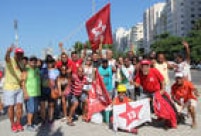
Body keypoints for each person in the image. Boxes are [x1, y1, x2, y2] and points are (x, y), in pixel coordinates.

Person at [3, 46, 24, 132]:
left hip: (19, 87)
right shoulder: (10, 60)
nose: (19, 55)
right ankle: (12, 124)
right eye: (18, 54)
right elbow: (6, 58)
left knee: (19, 107)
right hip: (9, 88)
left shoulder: (21, 63)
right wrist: (8, 52)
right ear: (15, 54)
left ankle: (18, 123)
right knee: (11, 107)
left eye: (21, 54)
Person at [21, 56, 41, 131]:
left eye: (35, 61)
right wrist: (25, 93)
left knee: (35, 109)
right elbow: (22, 83)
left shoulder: (37, 70)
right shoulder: (26, 70)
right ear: (29, 62)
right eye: (32, 60)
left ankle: (33, 123)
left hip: (37, 93)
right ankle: (29, 125)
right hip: (30, 94)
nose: (33, 62)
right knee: (31, 110)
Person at [83, 57, 96, 121]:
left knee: (88, 101)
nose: (89, 61)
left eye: (90, 60)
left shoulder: (93, 68)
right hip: (83, 85)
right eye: (87, 59)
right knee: (85, 101)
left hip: (90, 85)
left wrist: (91, 83)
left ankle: (87, 115)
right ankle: (84, 115)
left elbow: (93, 78)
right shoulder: (83, 67)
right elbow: (81, 76)